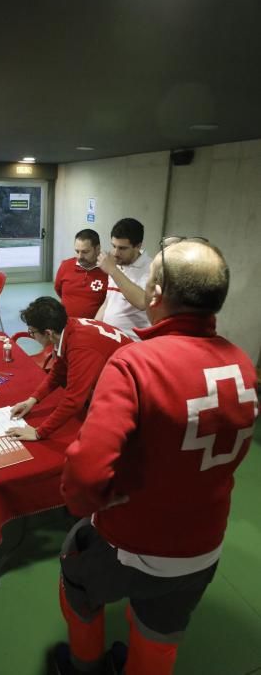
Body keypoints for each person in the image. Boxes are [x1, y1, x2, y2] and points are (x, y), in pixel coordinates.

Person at [54, 239, 258, 675]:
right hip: (205, 544)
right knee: (159, 634)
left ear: (157, 294)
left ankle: (83, 667)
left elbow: (85, 475)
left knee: (75, 572)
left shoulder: (136, 364)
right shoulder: (243, 364)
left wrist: (97, 500)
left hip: (137, 544)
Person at [7, 297, 131, 441]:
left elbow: (74, 401)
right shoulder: (67, 326)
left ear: (48, 333)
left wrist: (39, 432)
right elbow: (59, 371)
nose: (31, 336)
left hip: (129, 390)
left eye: (32, 332)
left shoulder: (80, 347)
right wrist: (32, 400)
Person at [95, 217, 152, 340]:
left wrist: (113, 270)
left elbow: (143, 302)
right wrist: (93, 329)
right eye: (113, 246)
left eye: (122, 248)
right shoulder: (117, 264)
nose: (115, 253)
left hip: (132, 342)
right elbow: (108, 302)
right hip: (109, 337)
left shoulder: (151, 269)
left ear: (137, 246)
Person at [55, 229, 108, 318]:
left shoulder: (107, 271)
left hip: (93, 327)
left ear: (97, 249)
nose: (79, 256)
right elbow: (58, 289)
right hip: (65, 324)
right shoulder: (65, 265)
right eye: (77, 251)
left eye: (85, 252)